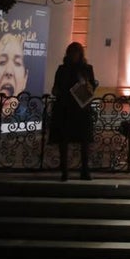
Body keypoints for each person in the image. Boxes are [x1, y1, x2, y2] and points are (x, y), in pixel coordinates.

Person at [49, 41, 98, 181]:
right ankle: (64, 171)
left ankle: (85, 171)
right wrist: (57, 91)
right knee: (63, 141)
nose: (74, 55)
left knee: (84, 142)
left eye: (76, 53)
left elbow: (92, 86)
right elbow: (56, 87)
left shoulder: (87, 69)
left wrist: (88, 88)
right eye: (72, 53)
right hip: (65, 108)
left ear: (80, 54)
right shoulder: (62, 69)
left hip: (81, 109)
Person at [0, 32, 28, 118]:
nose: (9, 71)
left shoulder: (31, 119)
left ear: (25, 79)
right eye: (2, 61)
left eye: (17, 63)